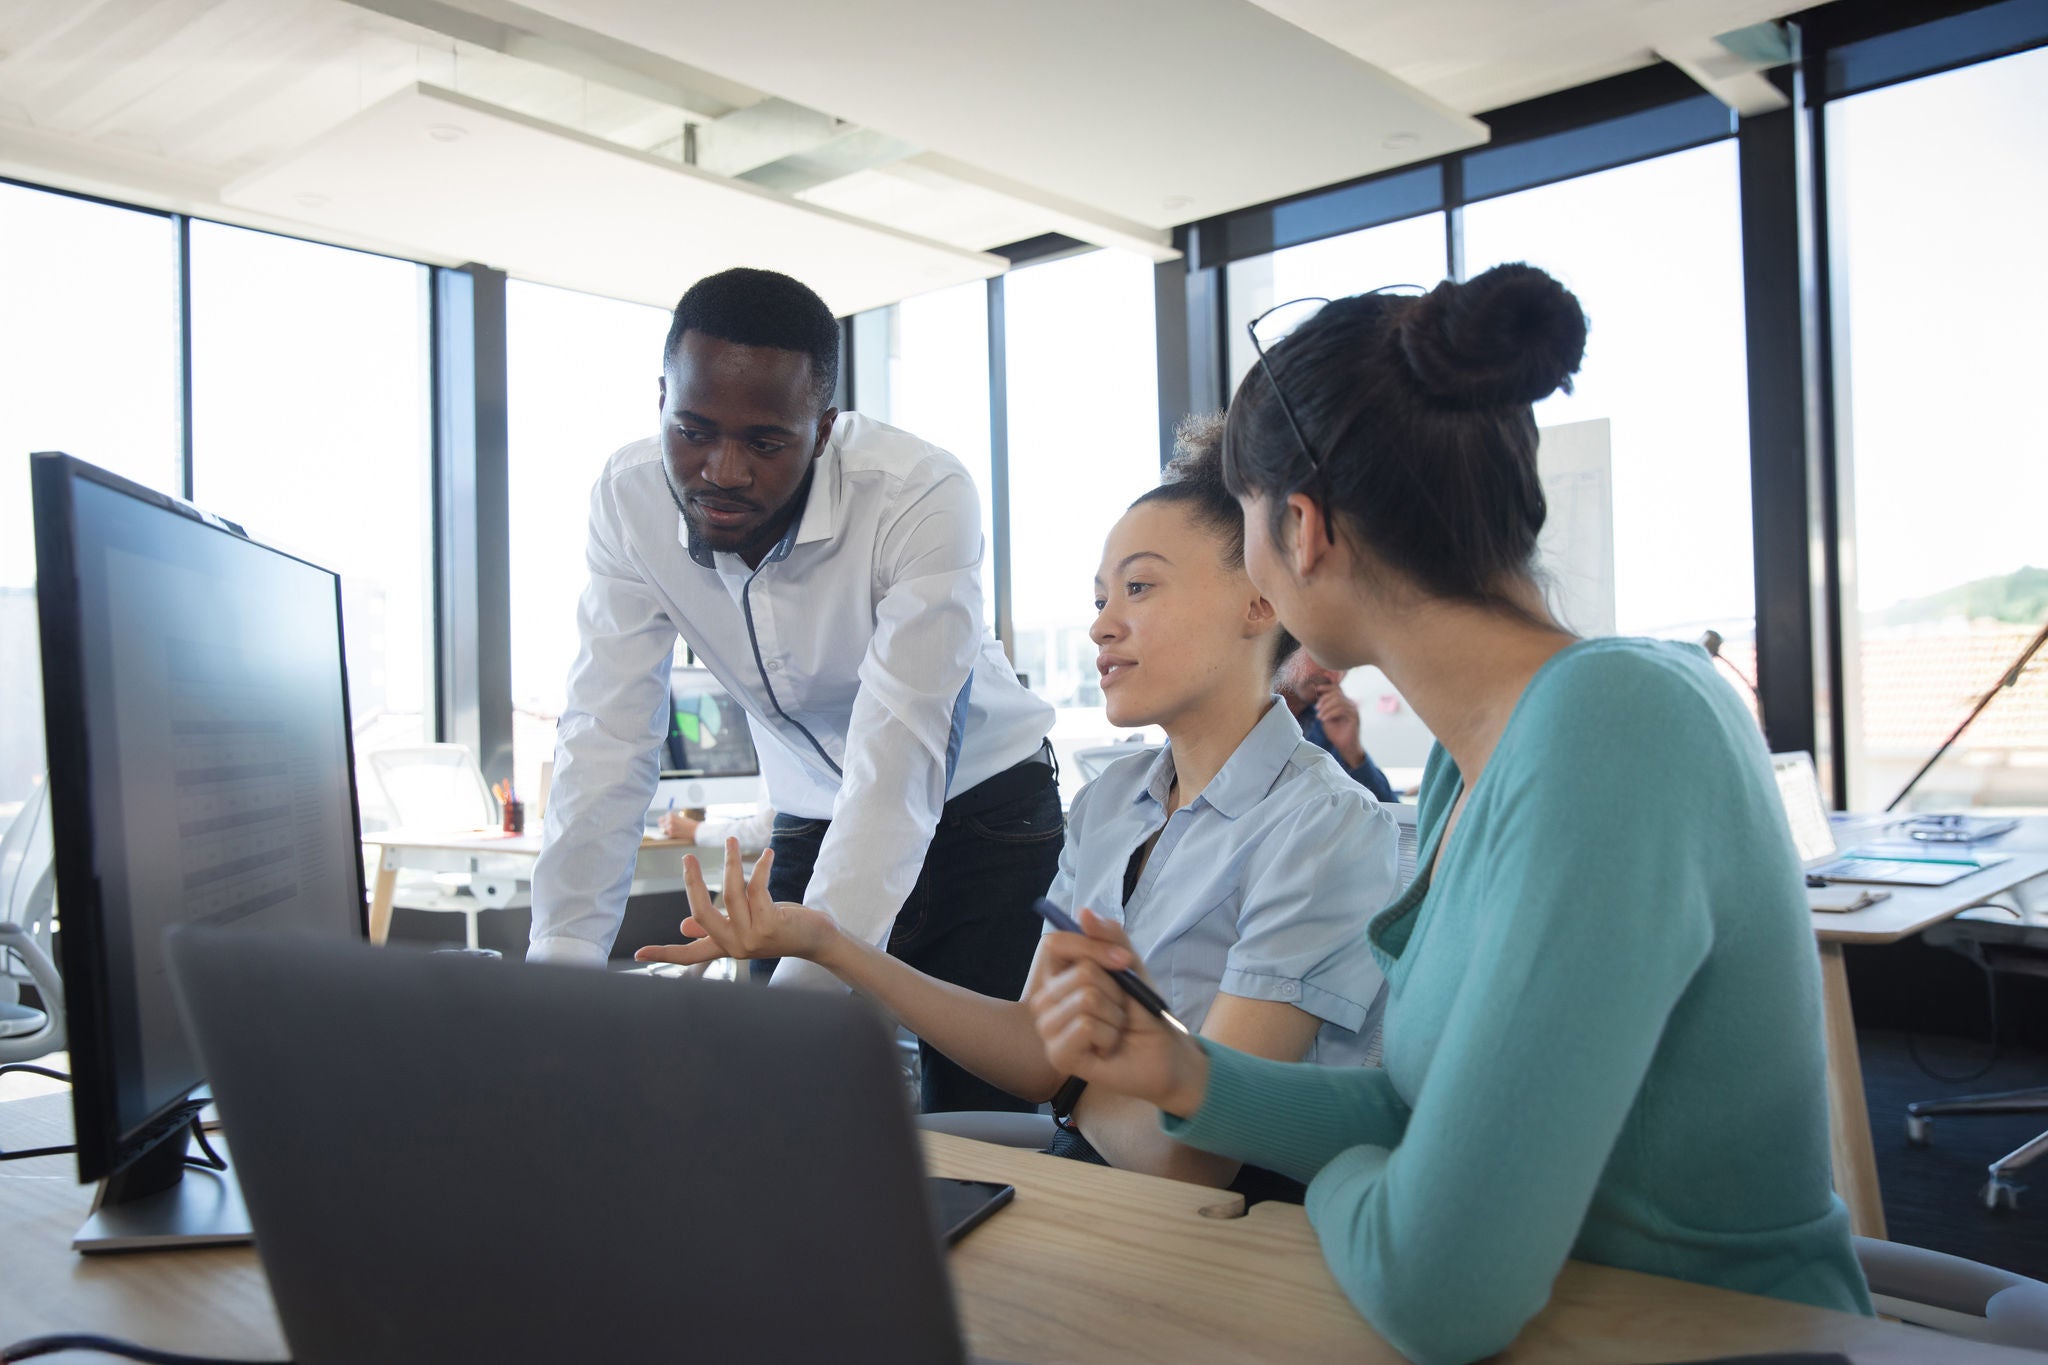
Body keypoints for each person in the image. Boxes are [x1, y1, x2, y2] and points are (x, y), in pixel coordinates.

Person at [1025, 265, 1873, 1364]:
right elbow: (1421, 1114)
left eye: (1240, 528)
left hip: (1701, 1338)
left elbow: (1436, 1288)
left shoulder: (1613, 727)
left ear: (1299, 528)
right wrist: (1191, 1078)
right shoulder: (1471, 769)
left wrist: (1322, 1188)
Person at [637, 419, 1398, 1194]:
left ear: (1261, 600)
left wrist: (1069, 1079)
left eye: (1139, 587)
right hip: (1095, 1192)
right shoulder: (1110, 802)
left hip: (1218, 1235)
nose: (1102, 623)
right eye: (1101, 597)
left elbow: (1193, 1158)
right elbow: (1036, 1043)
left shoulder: (1324, 827)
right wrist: (829, 943)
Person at [528, 267, 1059, 1114]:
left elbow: (900, 758)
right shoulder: (626, 500)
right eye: (693, 430)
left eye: (765, 442)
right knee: (793, 1111)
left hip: (983, 811)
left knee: (978, 1113)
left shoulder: (919, 495)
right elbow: (607, 736)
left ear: (824, 428)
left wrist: (800, 1011)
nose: (723, 470)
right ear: (661, 397)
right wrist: (558, 974)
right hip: (811, 813)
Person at [1275, 652, 1396, 802]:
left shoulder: (1328, 725)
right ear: (1289, 645)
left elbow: (1391, 816)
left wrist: (1352, 751)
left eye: (1346, 667)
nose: (1335, 677)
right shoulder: (1245, 714)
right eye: (1325, 658)